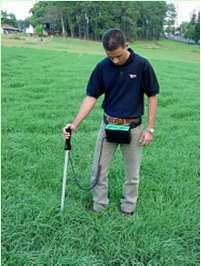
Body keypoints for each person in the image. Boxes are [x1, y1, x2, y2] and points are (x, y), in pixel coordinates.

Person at [63, 28, 159, 216]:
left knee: (132, 174)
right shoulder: (102, 67)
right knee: (98, 170)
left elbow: (152, 96)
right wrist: (74, 124)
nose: (115, 61)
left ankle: (128, 208)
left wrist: (150, 129)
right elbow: (91, 97)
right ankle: (99, 206)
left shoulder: (142, 65)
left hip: (133, 128)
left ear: (127, 46)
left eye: (118, 56)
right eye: (110, 57)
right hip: (108, 126)